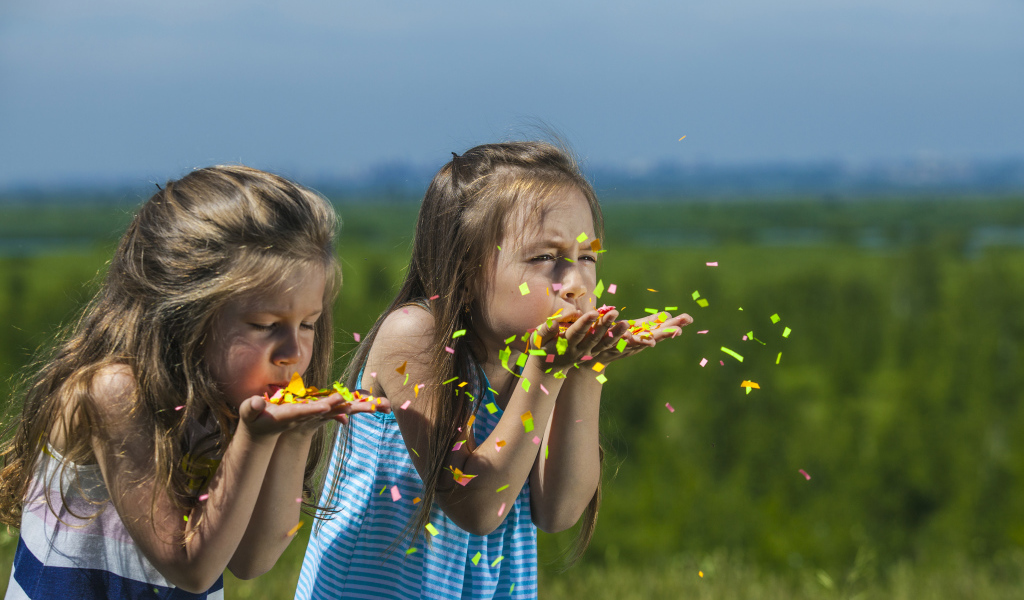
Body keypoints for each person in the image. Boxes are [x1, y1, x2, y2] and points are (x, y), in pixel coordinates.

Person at [295, 142, 693, 599]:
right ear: (465, 271)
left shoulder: (533, 358)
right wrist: (547, 370)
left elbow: (558, 511)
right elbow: (478, 508)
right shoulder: (415, 336)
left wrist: (585, 368)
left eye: (587, 257)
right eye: (545, 258)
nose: (576, 285)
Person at [0, 166, 388, 599]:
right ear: (185, 313)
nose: (292, 352)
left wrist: (296, 435)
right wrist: (255, 440)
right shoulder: (116, 392)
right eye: (265, 325)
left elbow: (252, 561)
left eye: (308, 324)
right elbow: (193, 569)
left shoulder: (224, 398)